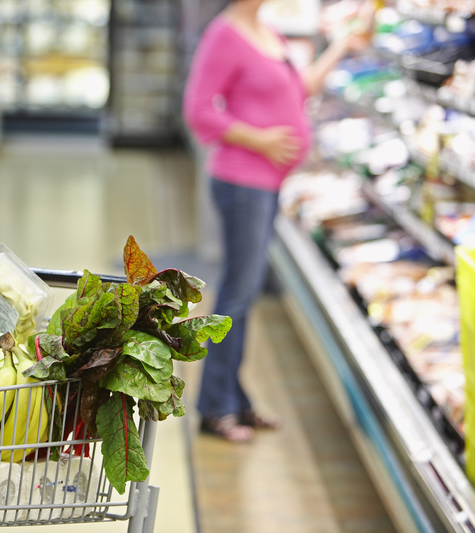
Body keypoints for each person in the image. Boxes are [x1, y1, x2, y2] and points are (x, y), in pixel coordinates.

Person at [183, 0, 371, 442]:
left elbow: (299, 89)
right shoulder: (224, 35)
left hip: (265, 186)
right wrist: (261, 139)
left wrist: (341, 45)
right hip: (241, 182)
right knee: (236, 294)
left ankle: (236, 400)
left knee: (243, 296)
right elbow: (199, 110)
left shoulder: (267, 32)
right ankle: (215, 408)